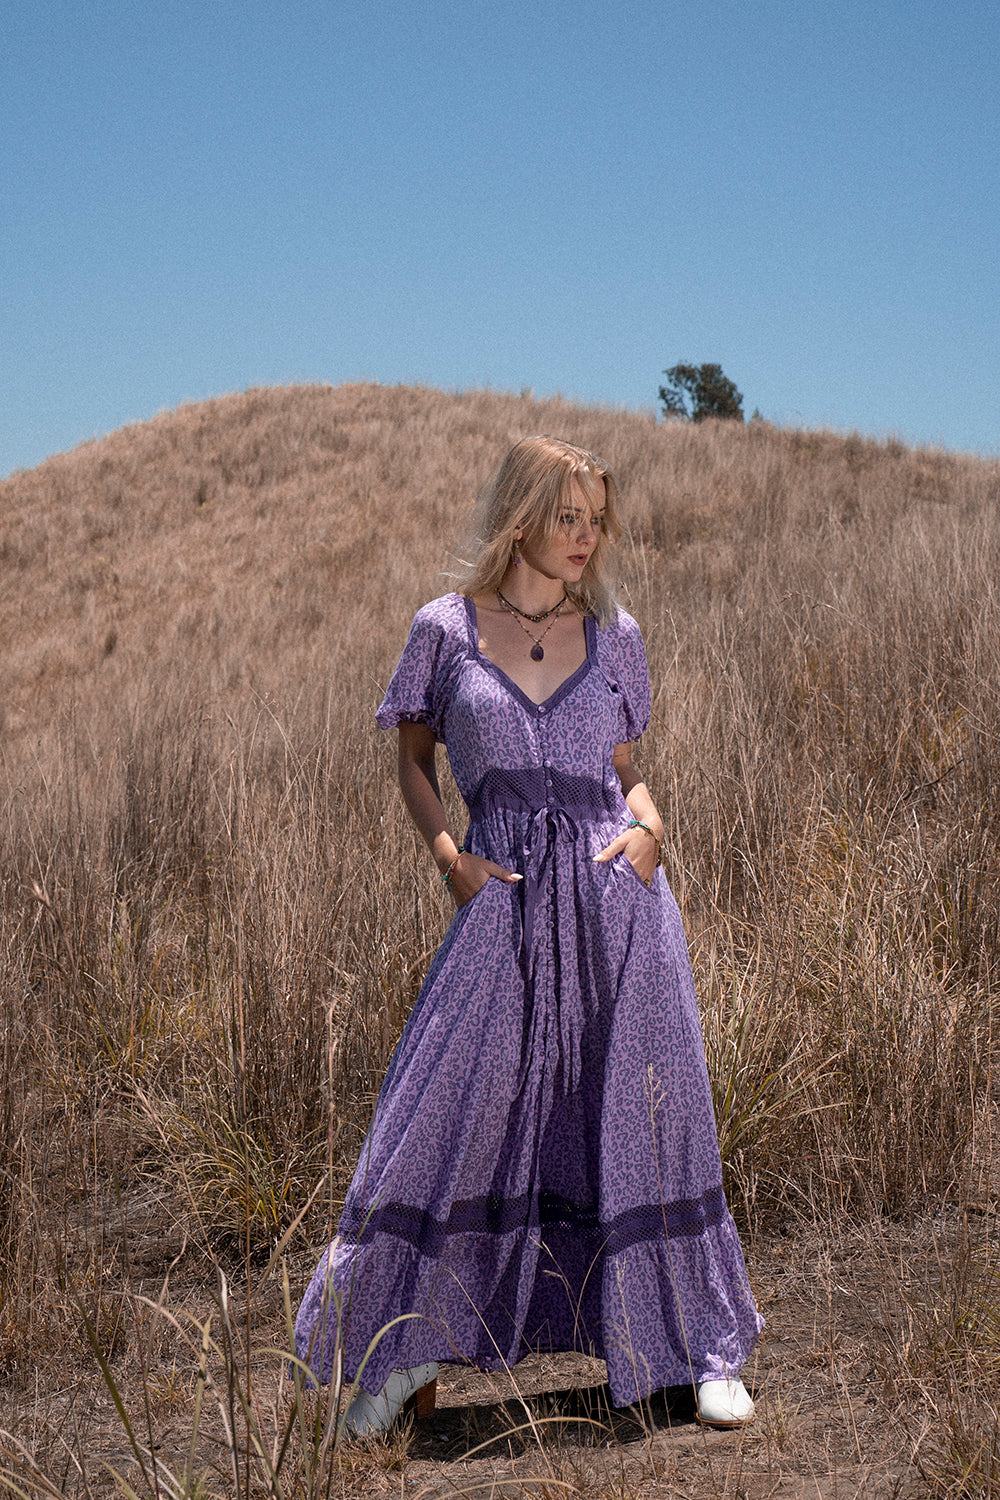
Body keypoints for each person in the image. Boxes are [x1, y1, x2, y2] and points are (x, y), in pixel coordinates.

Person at [294, 436, 763, 1431]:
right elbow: (412, 759)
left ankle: (696, 1346)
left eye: (596, 517)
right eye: (568, 516)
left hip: (615, 902)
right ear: (519, 516)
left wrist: (652, 823)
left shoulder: (616, 634)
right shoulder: (443, 629)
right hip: (500, 900)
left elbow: (625, 767)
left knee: (646, 1114)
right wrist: (447, 856)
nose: (587, 536)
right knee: (445, 1117)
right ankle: (394, 1356)